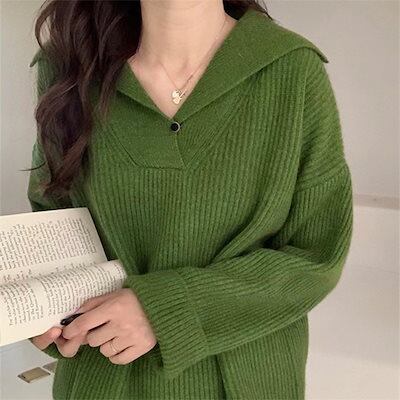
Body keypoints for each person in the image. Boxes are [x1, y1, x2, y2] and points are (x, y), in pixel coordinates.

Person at [27, 0, 353, 399]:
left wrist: (166, 311)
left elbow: (316, 258)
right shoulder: (68, 68)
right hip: (102, 377)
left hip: (246, 381)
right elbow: (52, 222)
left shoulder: (292, 71)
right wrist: (45, 313)